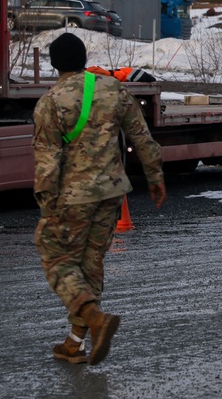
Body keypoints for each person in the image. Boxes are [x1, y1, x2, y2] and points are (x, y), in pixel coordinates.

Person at [32, 33, 166, 366]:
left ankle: (95, 319)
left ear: (54, 64)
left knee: (55, 255)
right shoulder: (113, 89)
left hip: (73, 196)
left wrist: (47, 206)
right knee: (91, 262)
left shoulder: (51, 101)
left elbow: (47, 162)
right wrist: (155, 177)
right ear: (82, 58)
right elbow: (141, 137)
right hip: (112, 194)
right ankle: (75, 344)